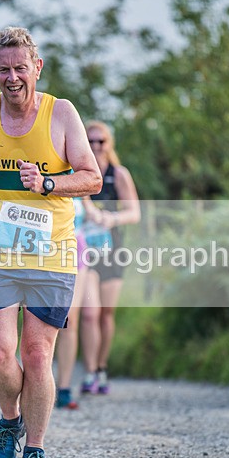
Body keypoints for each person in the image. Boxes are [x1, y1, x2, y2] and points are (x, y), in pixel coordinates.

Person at [0, 26, 102, 458]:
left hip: (51, 252)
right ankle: (10, 419)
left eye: (20, 68)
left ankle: (35, 450)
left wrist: (48, 182)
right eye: (3, 69)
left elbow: (91, 178)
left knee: (36, 354)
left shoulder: (61, 113)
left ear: (37, 67)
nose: (12, 77)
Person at [79, 120, 140, 396]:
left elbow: (134, 213)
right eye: (90, 141)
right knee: (89, 314)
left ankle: (102, 368)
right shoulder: (78, 172)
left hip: (113, 250)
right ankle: (89, 371)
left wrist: (110, 218)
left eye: (100, 141)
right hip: (86, 252)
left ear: (108, 143)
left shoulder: (119, 174)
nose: (95, 146)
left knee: (106, 314)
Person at [53, 197, 90, 410]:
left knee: (69, 319)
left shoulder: (81, 179)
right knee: (40, 318)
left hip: (76, 247)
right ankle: (35, 386)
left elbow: (90, 209)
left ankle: (64, 389)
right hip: (44, 247)